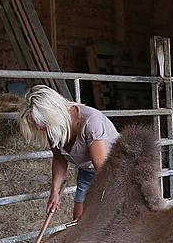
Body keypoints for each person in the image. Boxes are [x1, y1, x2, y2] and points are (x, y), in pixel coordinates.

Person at [17, 85, 119, 222]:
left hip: (114, 171)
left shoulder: (90, 122)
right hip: (88, 170)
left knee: (105, 220)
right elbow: (59, 158)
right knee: (78, 221)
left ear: (52, 114)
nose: (40, 128)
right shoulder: (52, 128)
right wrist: (54, 192)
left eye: (41, 124)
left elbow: (102, 170)